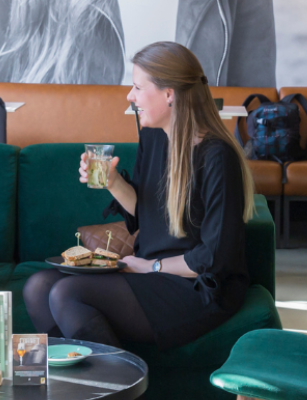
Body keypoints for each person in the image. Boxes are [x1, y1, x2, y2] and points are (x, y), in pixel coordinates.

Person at [22, 42, 256, 349]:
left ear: (169, 94)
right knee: (37, 287)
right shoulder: (153, 136)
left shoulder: (217, 157)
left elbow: (214, 258)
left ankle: (117, 390)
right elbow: (145, 213)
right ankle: (80, 388)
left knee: (66, 293)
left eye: (137, 87)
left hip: (197, 286)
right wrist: (113, 181)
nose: (130, 97)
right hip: (150, 272)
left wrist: (152, 267)